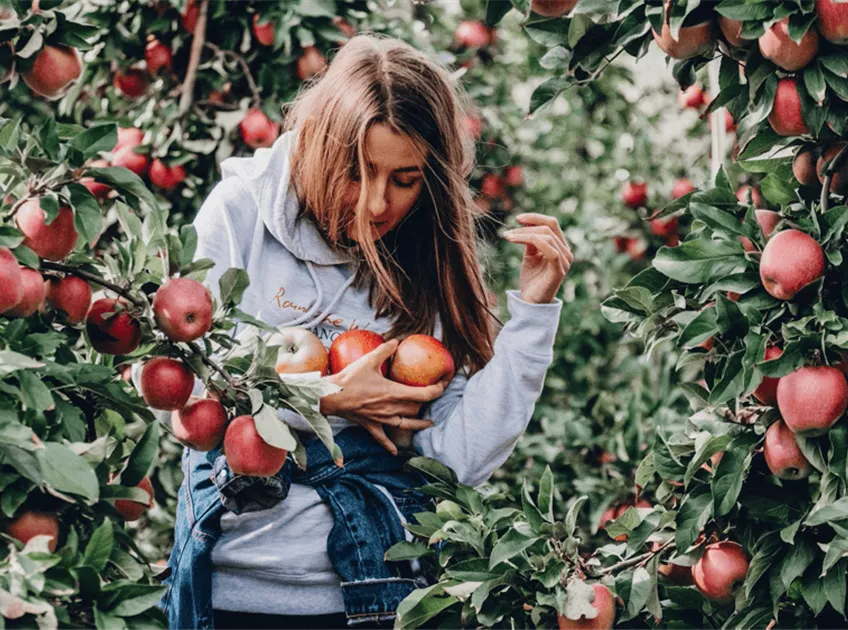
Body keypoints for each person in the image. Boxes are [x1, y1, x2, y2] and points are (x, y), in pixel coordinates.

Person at [152, 34, 570, 629]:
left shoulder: (425, 256)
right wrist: (324, 398)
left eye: (404, 179)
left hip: (381, 594)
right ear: (323, 147)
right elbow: (183, 402)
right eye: (357, 171)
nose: (377, 204)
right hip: (235, 593)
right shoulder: (239, 213)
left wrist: (532, 315)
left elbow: (452, 459)